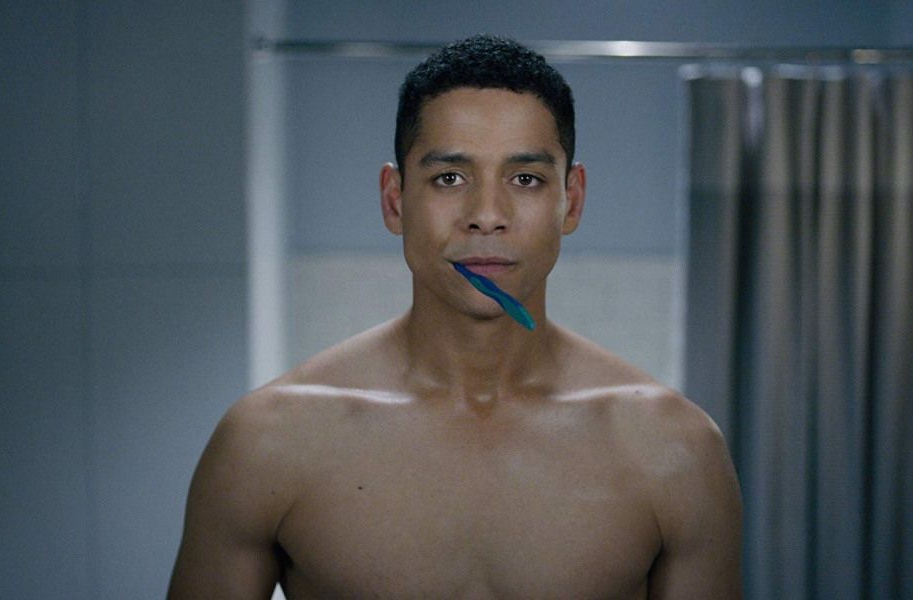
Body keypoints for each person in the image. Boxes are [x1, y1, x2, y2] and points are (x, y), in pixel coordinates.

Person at [168, 34, 742, 599]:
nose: (487, 215)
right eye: (450, 178)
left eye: (525, 179)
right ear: (394, 199)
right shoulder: (268, 442)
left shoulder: (674, 450)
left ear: (572, 200)